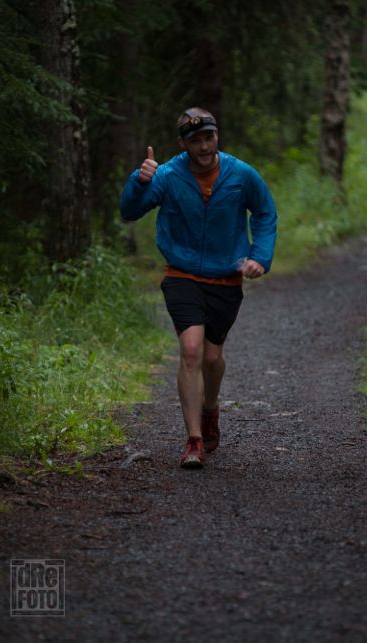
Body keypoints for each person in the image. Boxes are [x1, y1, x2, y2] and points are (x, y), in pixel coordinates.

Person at [120, 107, 277, 469]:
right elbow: (130, 211)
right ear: (183, 144)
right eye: (195, 141)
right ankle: (193, 440)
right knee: (191, 351)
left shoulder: (241, 174)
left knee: (211, 358)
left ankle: (210, 409)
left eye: (209, 138)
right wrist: (139, 180)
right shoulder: (168, 175)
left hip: (226, 279)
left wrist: (260, 257)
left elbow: (266, 213)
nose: (204, 146)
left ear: (217, 137)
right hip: (182, 274)